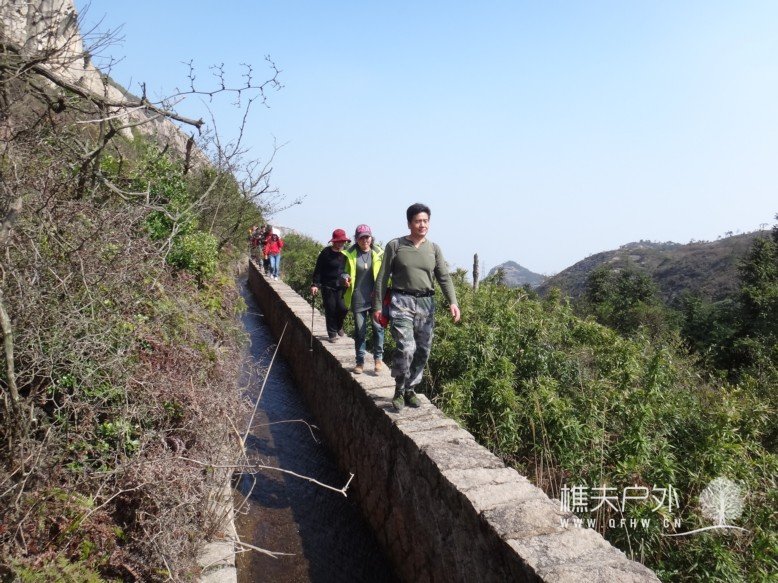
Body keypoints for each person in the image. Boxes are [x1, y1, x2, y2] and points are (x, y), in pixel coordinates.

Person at [373, 203, 461, 411]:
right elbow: (383, 276)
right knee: (406, 347)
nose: (422, 225)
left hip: (426, 304)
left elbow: (444, 277)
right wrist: (377, 305)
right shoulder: (396, 246)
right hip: (401, 301)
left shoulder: (434, 249)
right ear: (409, 223)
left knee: (423, 350)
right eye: (418, 221)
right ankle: (399, 389)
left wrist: (453, 302)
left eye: (425, 221)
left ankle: (410, 389)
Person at [343, 224, 385, 374]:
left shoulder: (379, 253)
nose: (365, 240)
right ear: (356, 239)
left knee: (378, 329)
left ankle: (378, 360)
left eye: (367, 237)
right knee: (360, 332)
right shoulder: (350, 254)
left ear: (371, 238)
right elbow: (344, 272)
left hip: (376, 298)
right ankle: (360, 362)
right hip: (358, 298)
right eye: (361, 238)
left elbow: (386, 273)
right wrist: (345, 277)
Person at [311, 229, 350, 342]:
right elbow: (318, 269)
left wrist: (349, 279)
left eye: (342, 241)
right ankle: (332, 333)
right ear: (334, 241)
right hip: (327, 286)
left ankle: (339, 325)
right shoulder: (326, 253)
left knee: (343, 308)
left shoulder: (346, 254)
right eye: (338, 241)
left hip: (342, 286)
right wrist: (315, 284)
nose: (341, 243)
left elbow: (349, 270)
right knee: (331, 309)